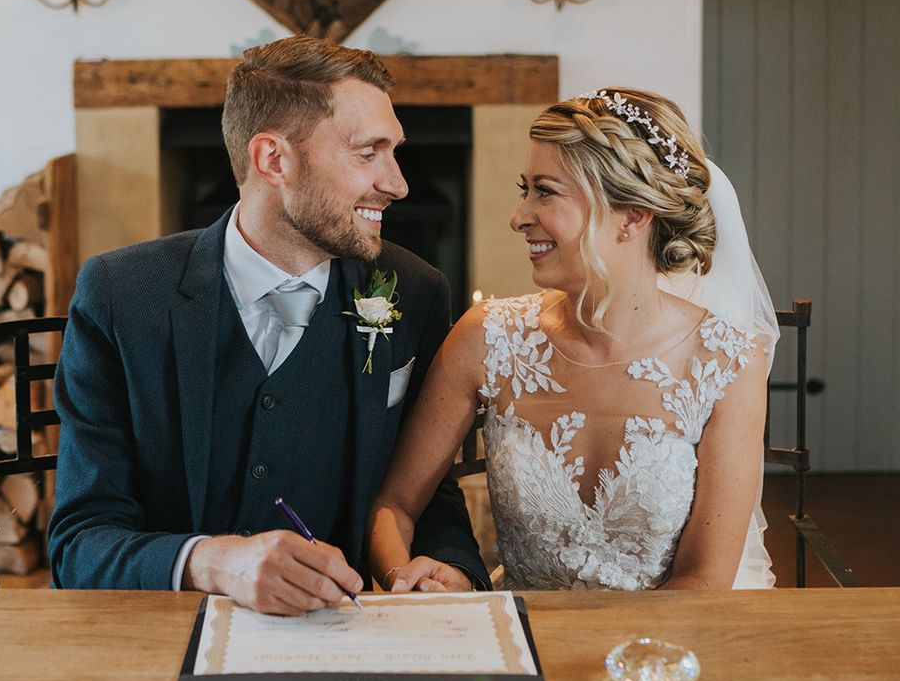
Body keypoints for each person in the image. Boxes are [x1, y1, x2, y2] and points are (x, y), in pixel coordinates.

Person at [48, 35, 490, 612]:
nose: (398, 183)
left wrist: (448, 567)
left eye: (395, 151)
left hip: (346, 636)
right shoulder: (120, 295)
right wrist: (216, 562)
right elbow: (79, 544)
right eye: (368, 153)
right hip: (163, 646)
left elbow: (427, 493)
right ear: (273, 159)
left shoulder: (417, 292)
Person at [368, 88, 778, 592]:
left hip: (659, 654)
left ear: (631, 214)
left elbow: (702, 580)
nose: (519, 216)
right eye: (526, 189)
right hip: (521, 640)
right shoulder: (487, 338)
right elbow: (396, 504)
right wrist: (405, 580)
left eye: (546, 191)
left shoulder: (727, 362)